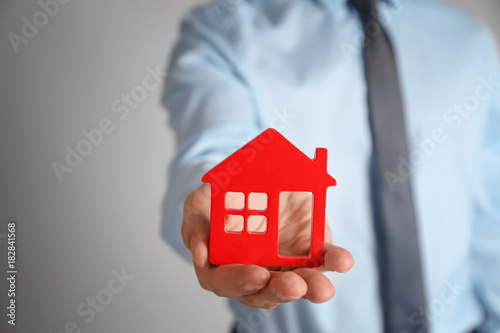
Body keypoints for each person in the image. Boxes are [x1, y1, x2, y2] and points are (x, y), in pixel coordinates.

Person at [162, 0, 500, 332]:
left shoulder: (468, 38)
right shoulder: (224, 26)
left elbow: (491, 208)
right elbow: (217, 152)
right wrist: (217, 210)